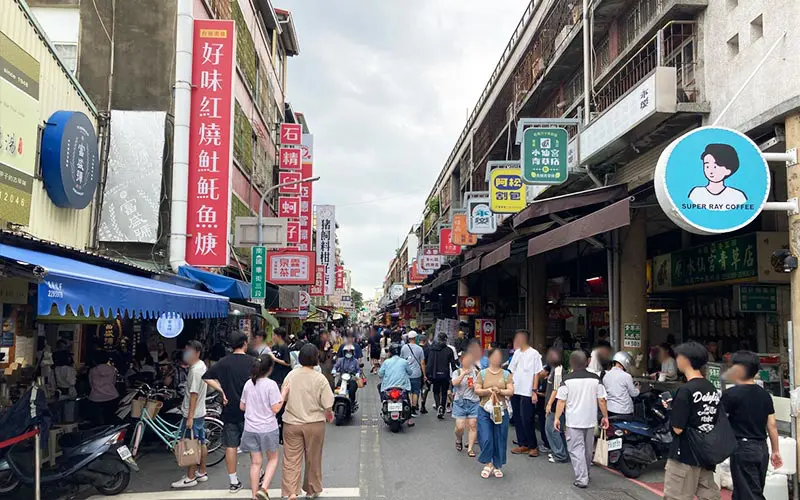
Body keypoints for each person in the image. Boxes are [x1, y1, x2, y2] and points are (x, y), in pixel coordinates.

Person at [663, 341, 721, 500]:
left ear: (686, 360)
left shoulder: (685, 390)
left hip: (685, 454)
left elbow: (677, 428)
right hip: (705, 452)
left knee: (676, 496)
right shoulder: (710, 387)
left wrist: (671, 409)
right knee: (709, 495)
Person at [722, 351, 782, 500]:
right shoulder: (764, 394)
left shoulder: (731, 395)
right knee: (746, 491)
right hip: (762, 448)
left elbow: (719, 421)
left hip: (742, 448)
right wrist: (775, 450)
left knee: (749, 494)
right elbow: (772, 425)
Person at [201, 332, 254, 492]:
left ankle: (233, 481)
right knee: (253, 445)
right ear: (244, 343)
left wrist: (221, 389)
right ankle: (259, 474)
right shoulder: (253, 362)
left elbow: (206, 377)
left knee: (231, 446)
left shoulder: (223, 362)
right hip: (250, 410)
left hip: (229, 409)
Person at [280, 344, 335, 500]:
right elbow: (328, 403)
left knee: (291, 459)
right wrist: (329, 414)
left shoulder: (290, 375)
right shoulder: (320, 378)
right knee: (313, 457)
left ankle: (291, 492)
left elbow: (283, 396)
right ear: (316, 359)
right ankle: (311, 490)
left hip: (291, 422)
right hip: (314, 423)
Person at [554, 350, 610, 489]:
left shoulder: (566, 380)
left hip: (573, 421)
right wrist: (605, 416)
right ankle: (586, 473)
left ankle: (582, 478)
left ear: (571, 363)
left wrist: (556, 418)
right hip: (590, 421)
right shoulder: (596, 379)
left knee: (576, 449)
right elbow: (602, 400)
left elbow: (561, 402)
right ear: (587, 362)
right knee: (587, 449)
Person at [240, 355, 283, 500]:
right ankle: (263, 488)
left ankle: (254, 495)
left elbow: (242, 406)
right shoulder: (271, 385)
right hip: (267, 428)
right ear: (270, 369)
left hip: (250, 428)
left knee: (255, 463)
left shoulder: (248, 383)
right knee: (273, 459)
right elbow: (276, 408)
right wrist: (284, 395)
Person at [172, 341, 209, 489]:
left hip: (193, 413)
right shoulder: (200, 366)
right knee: (200, 442)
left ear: (197, 352)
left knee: (191, 444)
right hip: (199, 412)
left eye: (188, 351)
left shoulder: (195, 371)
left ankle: (190, 477)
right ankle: (202, 471)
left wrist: (190, 417)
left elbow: (193, 394)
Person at [474, 347, 514, 479]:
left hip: (500, 410)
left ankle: (497, 464)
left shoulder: (506, 374)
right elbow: (477, 390)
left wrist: (500, 391)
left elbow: (511, 391)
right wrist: (489, 390)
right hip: (484, 409)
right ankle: (488, 463)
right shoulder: (483, 373)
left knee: (500, 437)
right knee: (486, 437)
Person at [508, 329, 543, 457]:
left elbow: (537, 373)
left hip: (527, 391)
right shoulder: (517, 353)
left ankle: (533, 446)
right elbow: (511, 371)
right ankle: (522, 444)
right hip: (516, 390)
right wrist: (509, 387)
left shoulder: (534, 354)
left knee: (527, 418)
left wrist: (534, 391)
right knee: (517, 418)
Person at [688, 143, 748, 208]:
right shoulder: (696, 193)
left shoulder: (737, 195)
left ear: (728, 171)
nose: (710, 171)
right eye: (707, 166)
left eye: (715, 167)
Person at [379, 342, 415, 427]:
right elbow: (410, 372)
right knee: (407, 400)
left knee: (380, 388)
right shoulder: (404, 362)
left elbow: (380, 374)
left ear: (390, 352)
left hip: (388, 387)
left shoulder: (386, 362)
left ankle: (384, 402)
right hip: (402, 387)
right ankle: (409, 420)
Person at [452, 351, 479, 457]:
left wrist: (475, 387)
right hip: (460, 402)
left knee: (473, 425)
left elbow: (480, 386)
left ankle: (470, 448)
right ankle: (458, 439)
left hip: (473, 401)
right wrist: (463, 374)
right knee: (460, 427)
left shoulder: (476, 372)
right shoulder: (457, 372)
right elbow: (454, 383)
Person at [543, 348, 568, 464]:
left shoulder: (558, 369)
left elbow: (556, 388)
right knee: (556, 430)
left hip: (555, 404)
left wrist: (549, 404)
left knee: (551, 429)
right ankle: (561, 452)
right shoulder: (554, 369)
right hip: (555, 404)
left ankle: (560, 454)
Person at [426, 332, 457, 419]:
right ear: (446, 339)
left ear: (438, 339)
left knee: (436, 391)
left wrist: (428, 375)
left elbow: (429, 363)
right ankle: (442, 408)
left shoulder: (432, 349)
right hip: (445, 374)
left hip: (435, 374)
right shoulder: (449, 350)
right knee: (444, 392)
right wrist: (455, 374)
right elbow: (453, 364)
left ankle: (438, 405)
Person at [603, 351, 639, 417]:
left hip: (609, 409)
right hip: (624, 410)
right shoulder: (626, 376)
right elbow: (633, 394)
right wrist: (638, 389)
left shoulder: (606, 375)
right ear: (626, 362)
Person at [88, 350, 119, 426]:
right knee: (110, 420)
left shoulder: (92, 370)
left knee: (96, 423)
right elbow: (113, 382)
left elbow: (91, 383)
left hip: (95, 398)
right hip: (112, 396)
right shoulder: (112, 369)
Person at [400, 331, 426, 415]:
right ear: (415, 338)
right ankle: (413, 408)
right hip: (416, 373)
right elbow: (422, 363)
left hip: (406, 373)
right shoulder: (420, 348)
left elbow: (402, 360)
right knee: (415, 391)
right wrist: (424, 375)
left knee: (408, 391)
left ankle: (408, 406)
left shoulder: (404, 347)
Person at [418, 334, 431, 414]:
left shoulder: (416, 348)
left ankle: (415, 404)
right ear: (425, 341)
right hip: (426, 370)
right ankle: (423, 404)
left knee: (416, 389)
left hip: (416, 370)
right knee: (425, 388)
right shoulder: (428, 349)